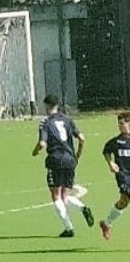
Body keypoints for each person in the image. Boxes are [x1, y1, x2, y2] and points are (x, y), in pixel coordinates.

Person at [34, 94, 93, 237]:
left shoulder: (45, 122)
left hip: (55, 160)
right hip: (70, 159)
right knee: (65, 195)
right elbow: (82, 138)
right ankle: (83, 207)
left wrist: (35, 151)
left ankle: (69, 228)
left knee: (56, 195)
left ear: (47, 106)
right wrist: (77, 154)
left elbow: (42, 144)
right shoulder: (68, 120)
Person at [100, 112, 130, 240]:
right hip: (123, 175)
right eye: (119, 123)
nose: (120, 126)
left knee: (123, 202)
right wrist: (110, 163)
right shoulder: (116, 141)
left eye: (122, 123)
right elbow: (106, 151)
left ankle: (106, 223)